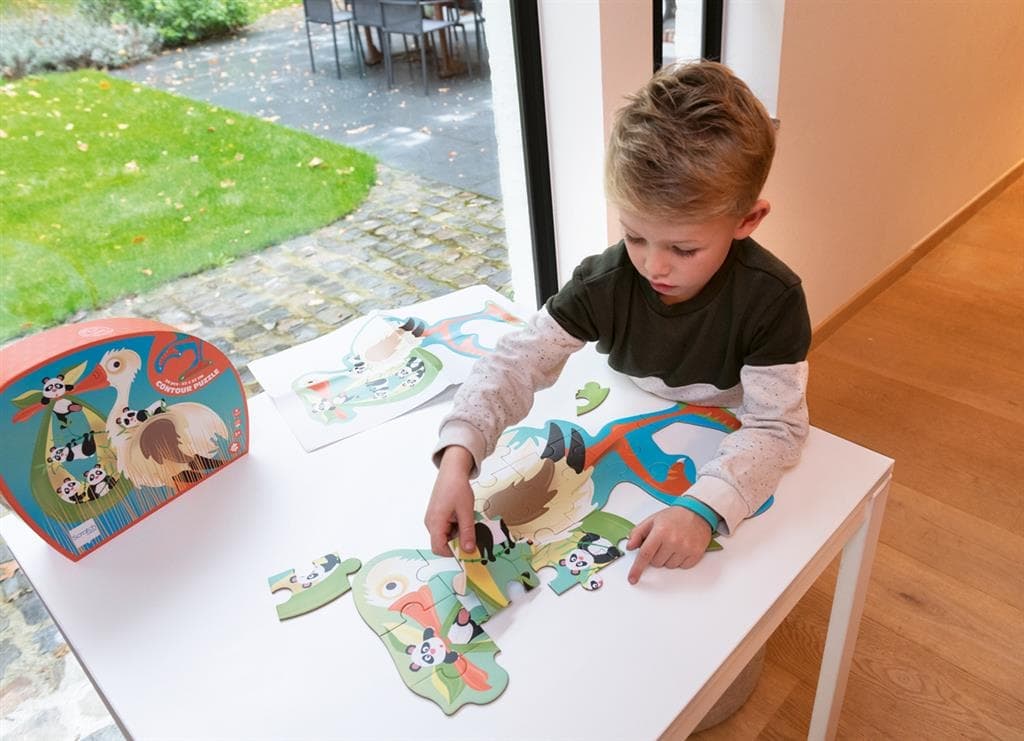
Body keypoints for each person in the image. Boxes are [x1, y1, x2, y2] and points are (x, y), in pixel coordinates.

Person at [424, 61, 811, 585]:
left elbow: (777, 426)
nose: (654, 267)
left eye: (684, 249)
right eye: (634, 236)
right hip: (629, 406)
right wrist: (458, 455)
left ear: (748, 220)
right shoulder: (604, 282)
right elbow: (516, 363)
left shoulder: (774, 299)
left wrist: (704, 507)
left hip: (728, 426)